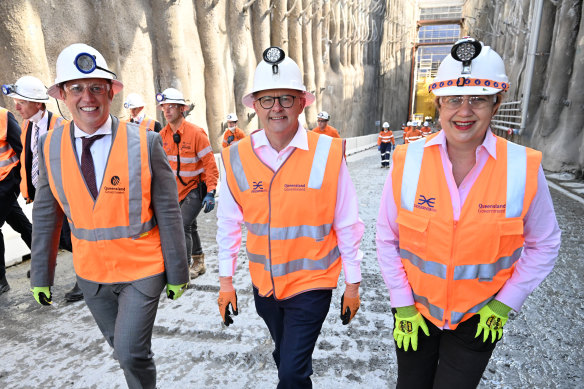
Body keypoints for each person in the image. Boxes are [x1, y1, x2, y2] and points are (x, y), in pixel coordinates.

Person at [376, 37, 561, 388]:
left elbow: (545, 244)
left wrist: (505, 304)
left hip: (481, 317)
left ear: (496, 104)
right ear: (439, 105)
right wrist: (401, 303)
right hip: (416, 312)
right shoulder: (407, 161)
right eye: (453, 100)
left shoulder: (523, 167)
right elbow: (387, 238)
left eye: (477, 99)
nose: (464, 111)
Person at [30, 43, 189, 389]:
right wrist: (41, 274)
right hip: (91, 275)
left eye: (96, 87)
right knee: (122, 350)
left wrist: (178, 271)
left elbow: (169, 211)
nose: (88, 97)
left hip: (142, 269)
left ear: (110, 93)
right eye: (76, 88)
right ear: (61, 94)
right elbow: (45, 214)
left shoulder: (145, 142)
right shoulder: (50, 145)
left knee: (131, 351)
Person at [216, 46, 364, 388]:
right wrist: (225, 283)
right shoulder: (235, 158)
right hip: (265, 289)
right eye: (267, 100)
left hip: (312, 286)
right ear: (254, 106)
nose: (277, 108)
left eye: (286, 98)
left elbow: (348, 222)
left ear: (302, 102)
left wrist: (352, 283)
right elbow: (227, 226)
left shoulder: (328, 153)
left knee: (292, 373)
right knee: (286, 358)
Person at [3, 75, 83, 302]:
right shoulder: (27, 126)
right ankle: (46, 275)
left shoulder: (61, 126)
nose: (16, 106)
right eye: (16, 101)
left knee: (72, 238)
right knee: (47, 237)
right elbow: (27, 158)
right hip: (44, 195)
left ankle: (87, 280)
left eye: (22, 101)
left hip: (66, 196)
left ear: (38, 103)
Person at [158, 87, 219, 280]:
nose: (167, 111)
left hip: (195, 188)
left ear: (182, 109)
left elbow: (210, 165)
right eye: (164, 107)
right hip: (177, 190)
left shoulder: (196, 134)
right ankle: (199, 262)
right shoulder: (162, 136)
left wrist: (211, 191)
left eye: (172, 107)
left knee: (181, 225)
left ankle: (180, 269)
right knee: (190, 226)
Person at [0, 105, 32, 294]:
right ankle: (43, 260)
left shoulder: (3, 116)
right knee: (19, 222)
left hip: (7, 181)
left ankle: (1, 280)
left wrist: (20, 182)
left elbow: (22, 149)